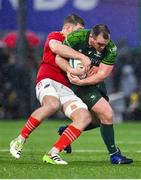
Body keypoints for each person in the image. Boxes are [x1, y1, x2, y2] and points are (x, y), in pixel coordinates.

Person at [10, 14, 95, 165]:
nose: (81, 33)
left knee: (84, 117)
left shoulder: (76, 45)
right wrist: (81, 57)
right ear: (68, 27)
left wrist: (82, 73)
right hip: (47, 79)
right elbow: (55, 48)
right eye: (79, 29)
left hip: (65, 87)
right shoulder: (56, 35)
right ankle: (20, 139)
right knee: (52, 105)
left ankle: (53, 153)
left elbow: (78, 69)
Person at [54, 24, 133, 164]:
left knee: (97, 121)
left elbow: (102, 75)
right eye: (100, 44)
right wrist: (71, 70)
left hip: (91, 84)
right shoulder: (77, 37)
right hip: (75, 82)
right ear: (91, 37)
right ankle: (114, 155)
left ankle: (67, 131)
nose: (103, 47)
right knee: (107, 113)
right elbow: (58, 58)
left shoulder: (111, 48)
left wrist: (82, 82)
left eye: (105, 44)